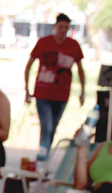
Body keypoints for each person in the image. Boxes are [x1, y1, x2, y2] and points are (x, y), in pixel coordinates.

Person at [24, 13, 86, 155]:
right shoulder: (43, 43)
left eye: (66, 27)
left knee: (53, 128)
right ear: (55, 27)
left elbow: (81, 70)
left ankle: (45, 156)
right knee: (46, 126)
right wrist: (27, 90)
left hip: (62, 94)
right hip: (42, 93)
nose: (63, 30)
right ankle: (42, 157)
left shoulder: (73, 45)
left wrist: (82, 92)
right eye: (60, 27)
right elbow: (29, 66)